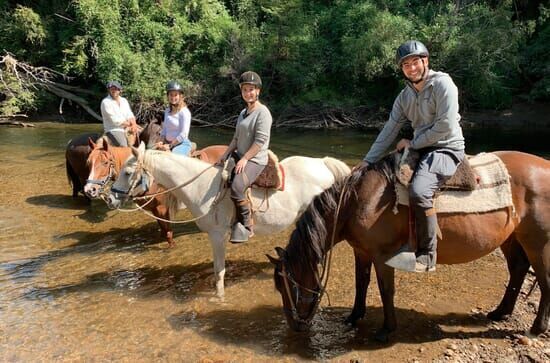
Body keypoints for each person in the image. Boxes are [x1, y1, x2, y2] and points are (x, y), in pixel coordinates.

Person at [357, 40, 465, 272]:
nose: (411, 68)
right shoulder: (404, 97)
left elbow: (445, 125)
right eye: (406, 64)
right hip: (420, 149)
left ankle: (428, 255)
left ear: (425, 61)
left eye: (415, 62)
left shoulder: (443, 84)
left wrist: (413, 143)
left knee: (419, 190)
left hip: (446, 147)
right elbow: (389, 130)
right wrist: (367, 161)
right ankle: (401, 240)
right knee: (383, 185)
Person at [217, 71, 273, 243]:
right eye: (245, 90)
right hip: (240, 154)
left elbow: (259, 141)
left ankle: (247, 226)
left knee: (237, 186)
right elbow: (236, 138)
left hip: (256, 159)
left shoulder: (263, 113)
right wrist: (225, 154)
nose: (248, 93)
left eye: (251, 89)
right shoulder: (243, 113)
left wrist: (245, 159)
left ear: (258, 91)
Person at [155, 80, 193, 155]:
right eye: (171, 95)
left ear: (180, 96)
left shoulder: (184, 112)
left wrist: (170, 145)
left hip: (181, 144)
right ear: (168, 96)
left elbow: (183, 134)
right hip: (167, 142)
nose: (173, 97)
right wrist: (160, 141)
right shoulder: (167, 111)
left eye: (176, 95)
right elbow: (165, 129)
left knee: (172, 157)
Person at [100, 80, 138, 147]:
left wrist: (134, 124)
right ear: (109, 90)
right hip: (114, 129)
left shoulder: (124, 100)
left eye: (115, 89)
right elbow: (115, 120)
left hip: (128, 126)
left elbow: (129, 114)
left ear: (120, 90)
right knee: (124, 146)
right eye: (111, 89)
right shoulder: (105, 102)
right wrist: (130, 124)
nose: (113, 90)